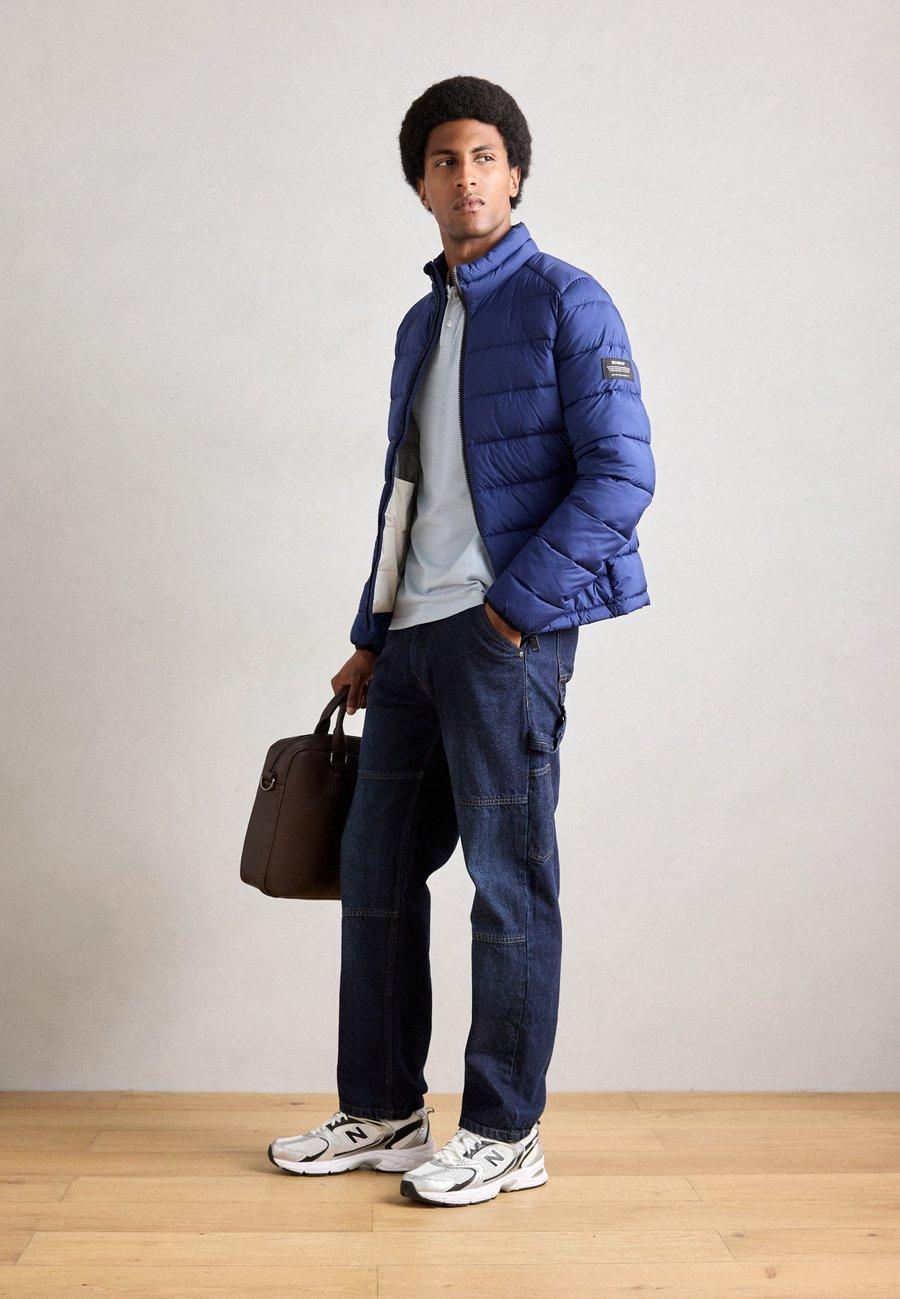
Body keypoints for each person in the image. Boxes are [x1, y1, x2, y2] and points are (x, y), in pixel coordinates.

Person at [268, 74, 655, 1207]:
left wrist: (511, 611)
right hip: (413, 643)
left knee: (507, 881)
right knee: (377, 872)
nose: (466, 176)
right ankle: (385, 1110)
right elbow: (411, 491)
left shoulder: (568, 300)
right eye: (445, 160)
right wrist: (373, 631)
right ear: (420, 184)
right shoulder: (420, 323)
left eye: (485, 156)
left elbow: (622, 476)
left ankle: (504, 1130)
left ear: (516, 174)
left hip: (503, 641)